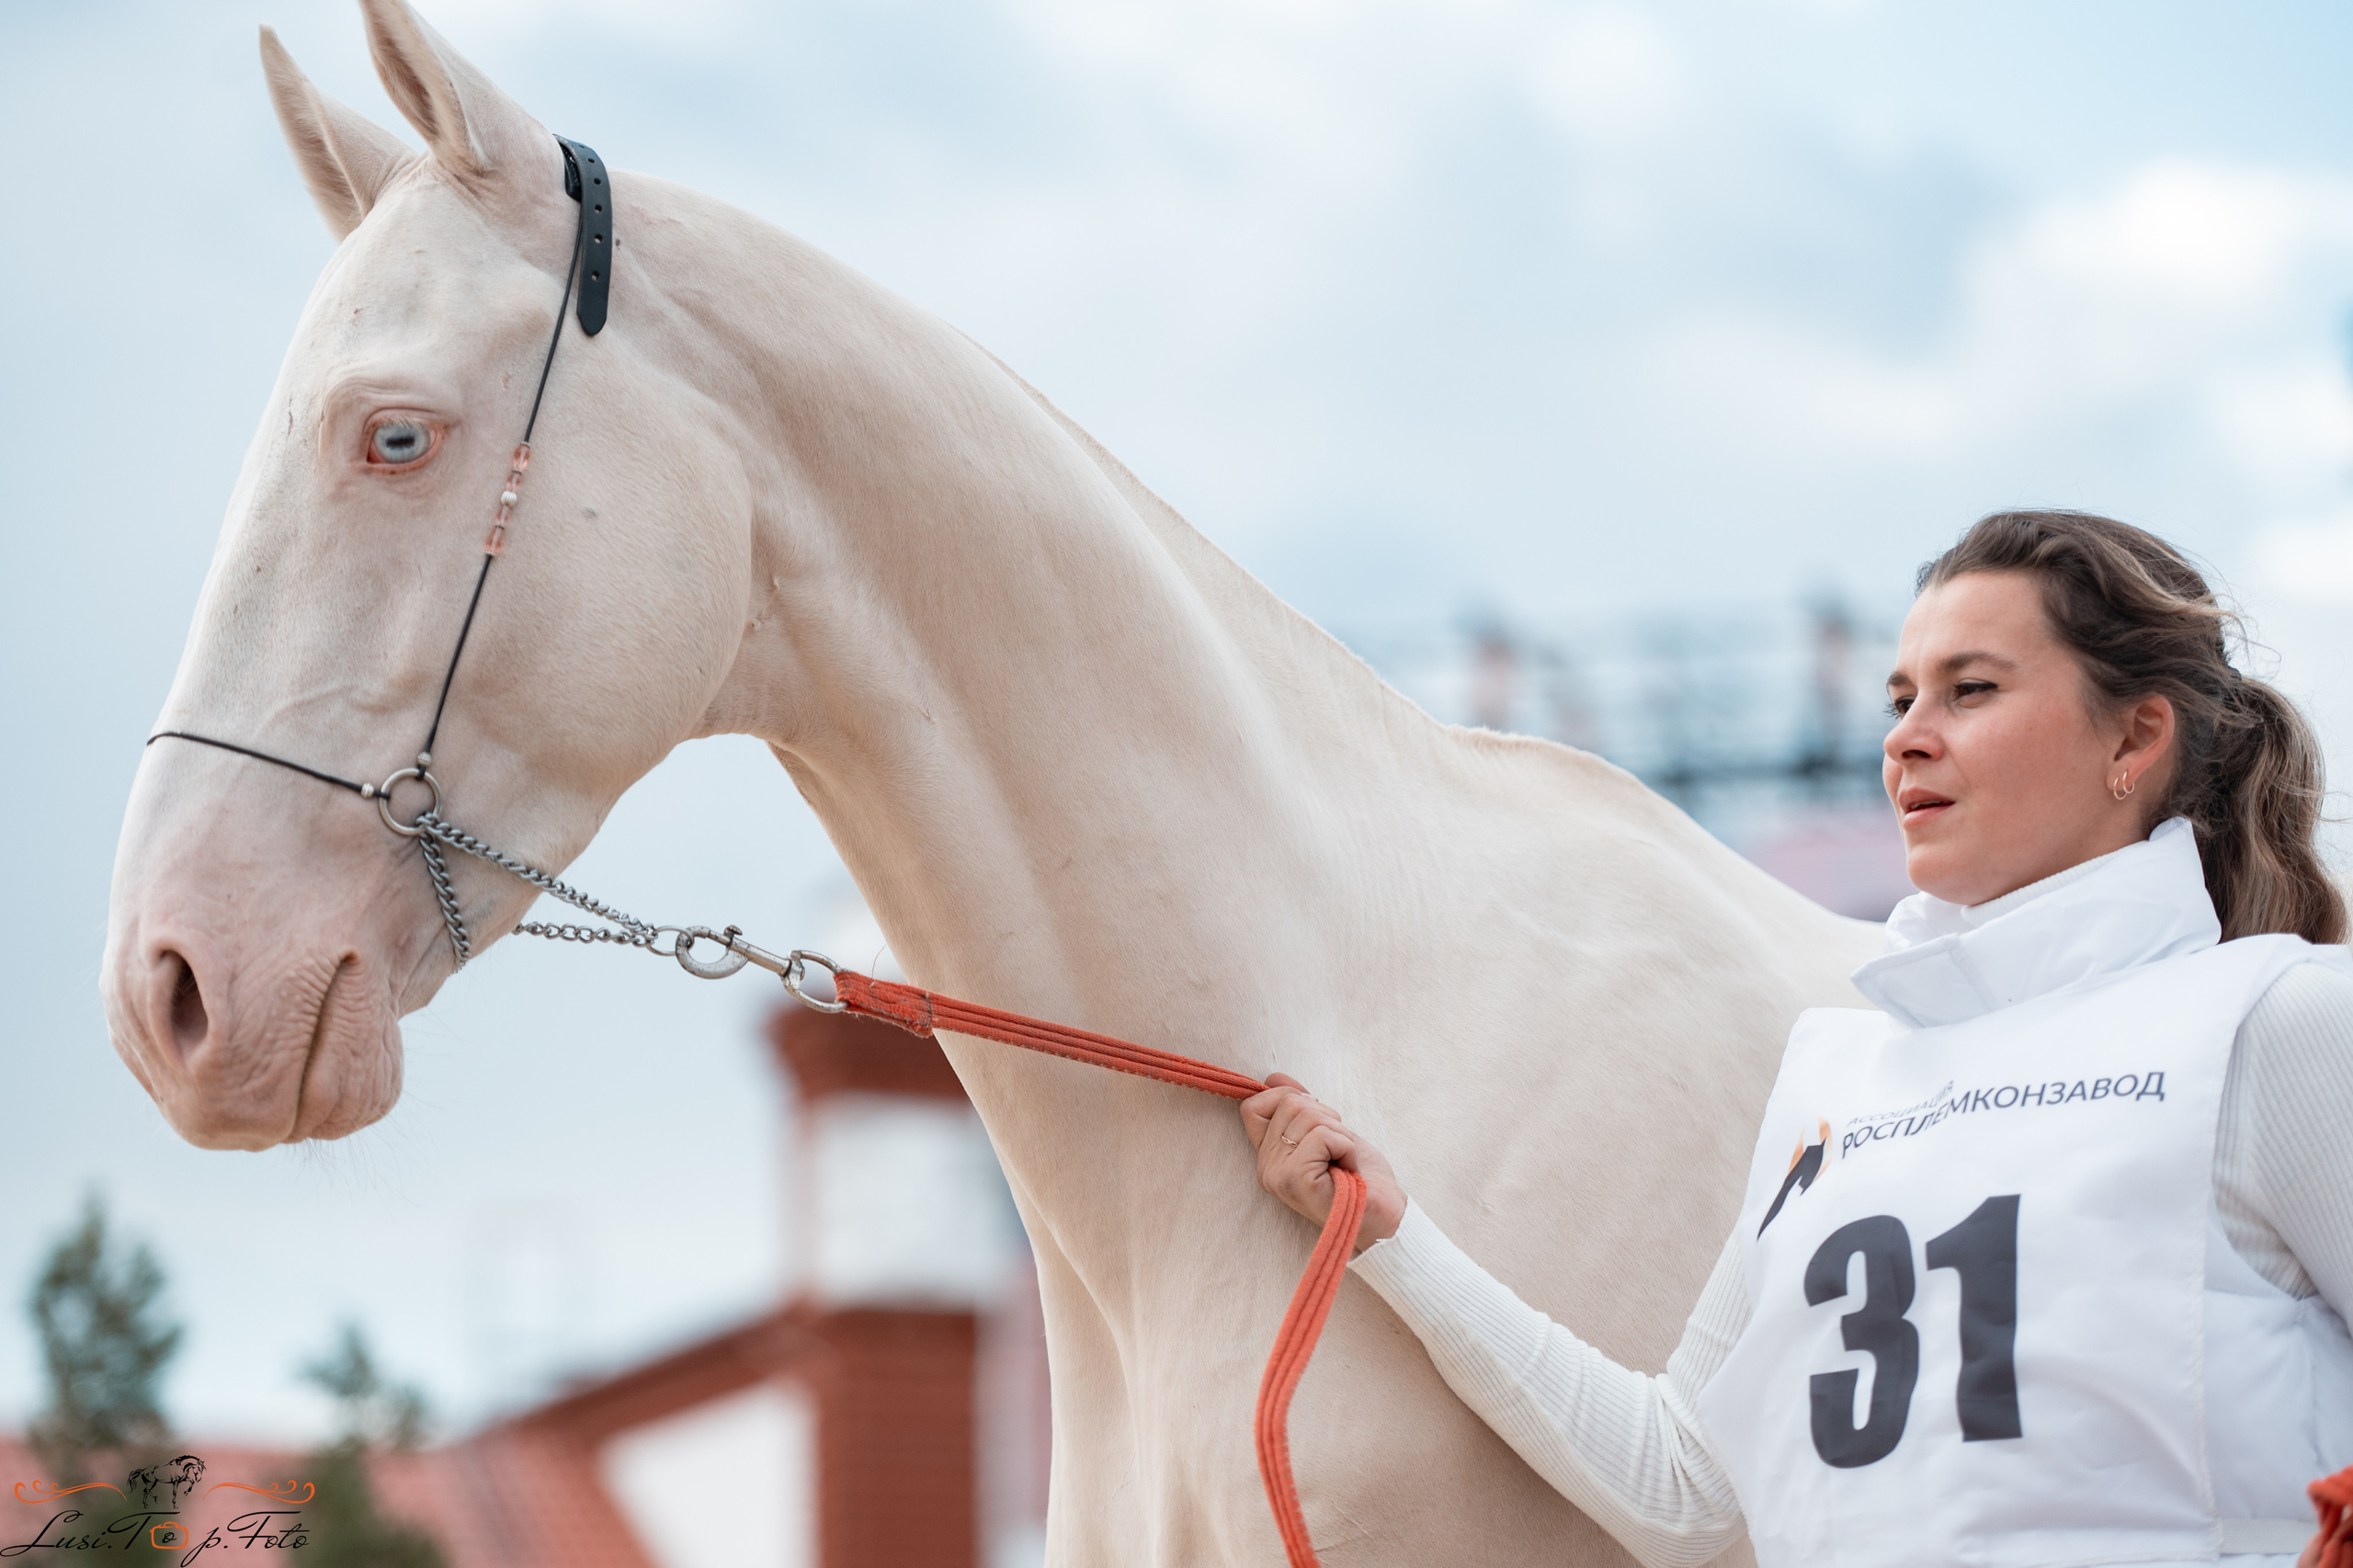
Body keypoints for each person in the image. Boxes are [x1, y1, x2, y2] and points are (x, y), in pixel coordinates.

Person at [1241, 510, 2353, 1568]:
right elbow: (1679, 1485)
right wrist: (1393, 1234)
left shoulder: (2276, 1025)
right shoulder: (1833, 1078)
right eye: (1901, 697)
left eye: (1970, 691)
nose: (1908, 737)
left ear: (2135, 735)